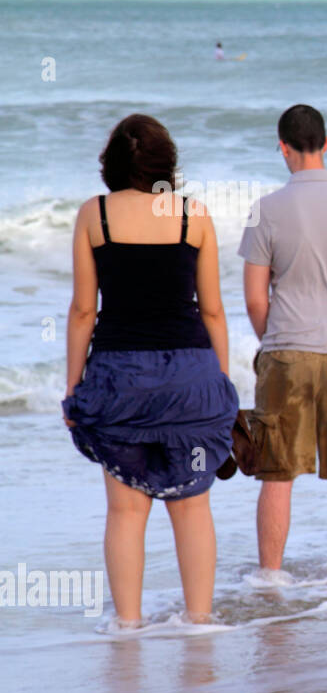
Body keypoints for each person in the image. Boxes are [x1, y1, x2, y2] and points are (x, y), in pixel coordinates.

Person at [63, 114, 239, 626]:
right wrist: (219, 386)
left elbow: (82, 312)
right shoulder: (194, 216)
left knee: (125, 512)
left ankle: (128, 629)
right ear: (167, 164)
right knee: (192, 508)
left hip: (120, 376)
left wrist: (73, 387)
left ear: (111, 165)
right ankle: (200, 625)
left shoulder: (94, 216)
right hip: (191, 375)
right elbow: (212, 311)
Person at [239, 104, 327, 572]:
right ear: (326, 145)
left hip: (287, 353)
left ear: (282, 148)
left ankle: (270, 580)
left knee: (277, 476)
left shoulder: (265, 211)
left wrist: (276, 342)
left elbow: (255, 300)